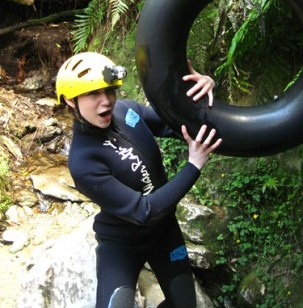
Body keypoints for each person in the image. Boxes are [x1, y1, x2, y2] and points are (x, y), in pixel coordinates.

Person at [56, 52, 222, 308]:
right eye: (92, 94)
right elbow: (143, 211)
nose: (106, 102)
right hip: (122, 243)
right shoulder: (82, 162)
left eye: (109, 91)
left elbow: (180, 125)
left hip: (164, 233)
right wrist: (193, 166)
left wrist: (198, 94)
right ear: (70, 100)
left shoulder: (127, 111)